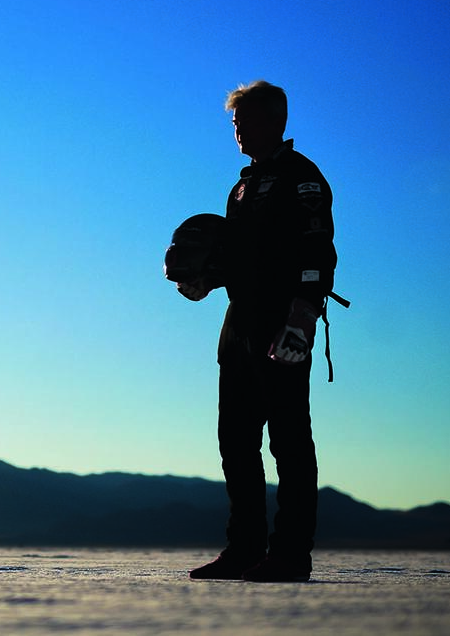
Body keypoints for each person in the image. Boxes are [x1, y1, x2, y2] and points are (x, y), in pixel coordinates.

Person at [180, 81, 336, 583]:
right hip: (240, 327)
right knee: (236, 441)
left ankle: (290, 556)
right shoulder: (242, 187)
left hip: (282, 325)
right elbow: (241, 259)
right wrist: (206, 278)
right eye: (233, 122)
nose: (237, 129)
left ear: (275, 121)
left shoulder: (302, 178)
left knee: (289, 442)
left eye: (244, 120)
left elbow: (318, 253)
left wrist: (303, 318)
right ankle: (244, 550)